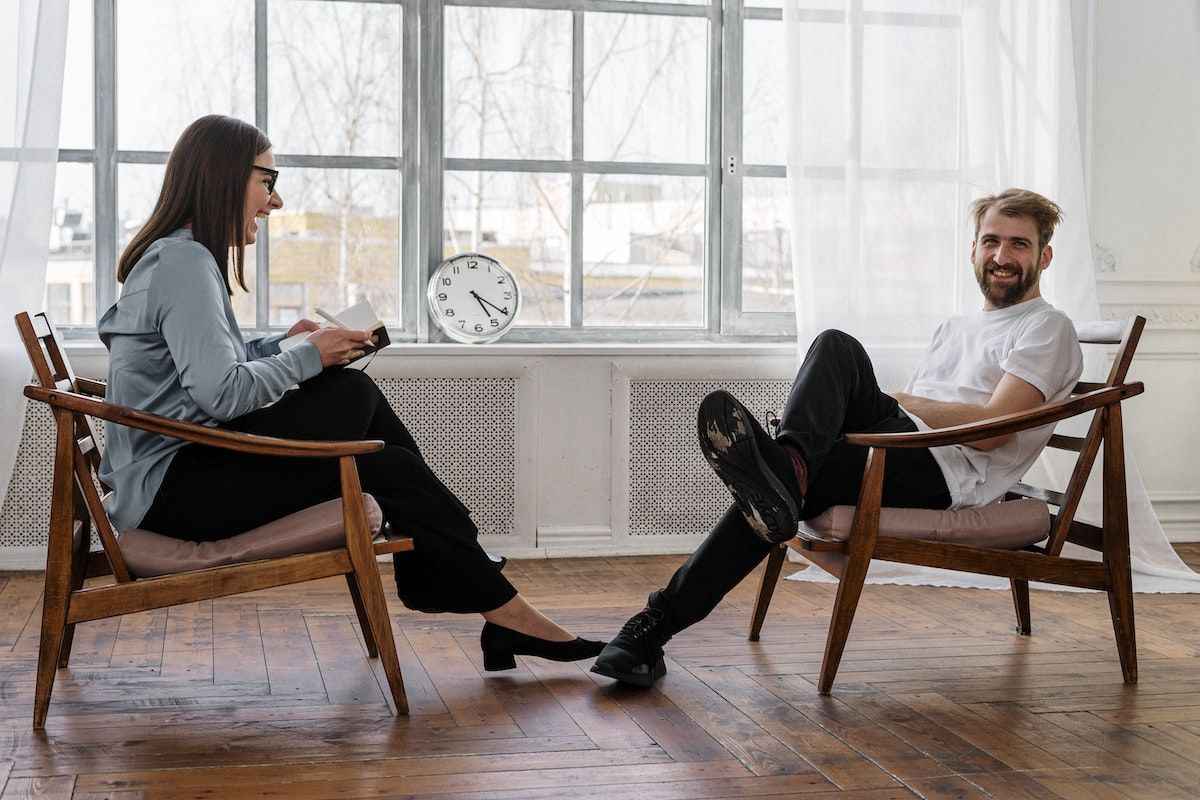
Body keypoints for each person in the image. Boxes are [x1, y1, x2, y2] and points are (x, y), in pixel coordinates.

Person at [97, 114, 603, 670]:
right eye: (268, 180)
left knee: (386, 461)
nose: (275, 201)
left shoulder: (176, 258)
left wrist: (278, 346)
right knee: (350, 397)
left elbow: (197, 372)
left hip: (179, 472)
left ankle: (496, 605)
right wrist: (311, 356)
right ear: (225, 176)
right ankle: (476, 576)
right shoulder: (185, 263)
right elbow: (219, 395)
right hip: (176, 494)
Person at [591, 188, 1085, 686]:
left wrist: (905, 403)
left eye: (1019, 245)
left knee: (831, 367)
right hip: (899, 449)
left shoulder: (1047, 327)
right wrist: (894, 410)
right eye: (991, 241)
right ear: (973, 248)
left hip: (944, 474)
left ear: (1044, 255)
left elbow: (990, 434)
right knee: (795, 447)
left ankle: (660, 616)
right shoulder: (954, 327)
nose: (1001, 256)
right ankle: (651, 631)